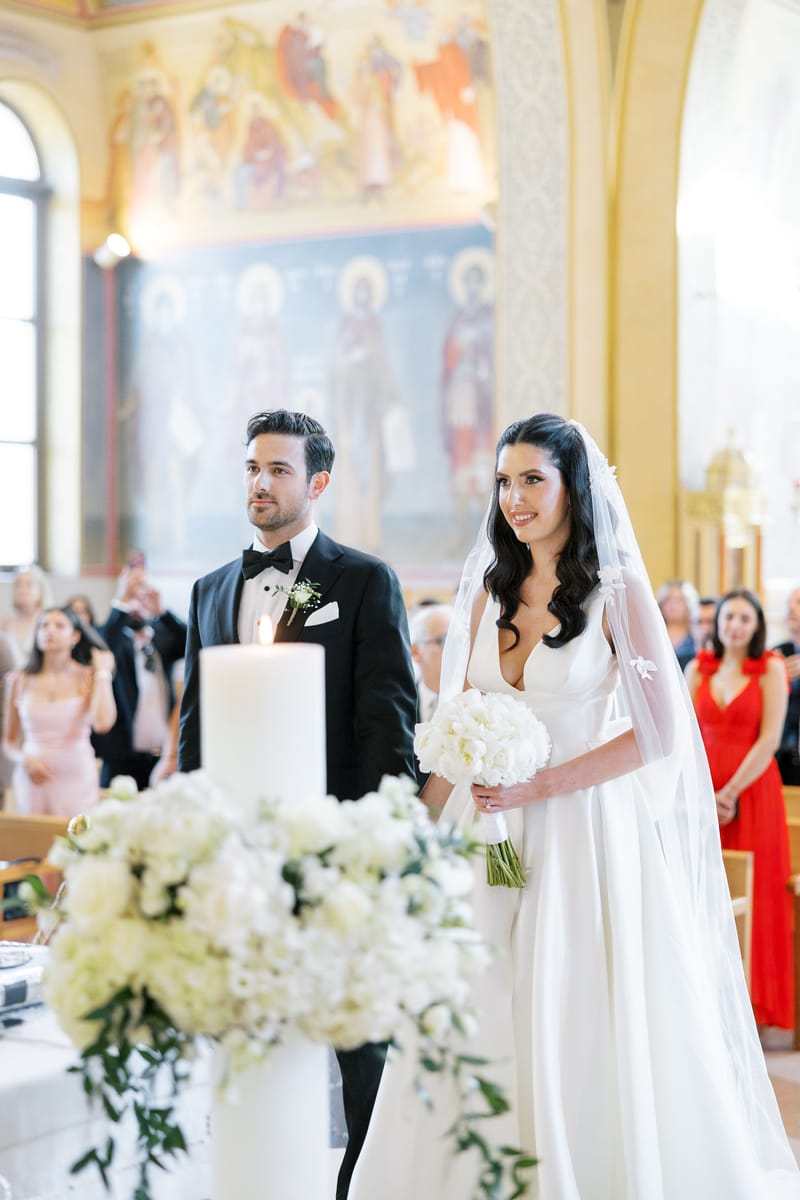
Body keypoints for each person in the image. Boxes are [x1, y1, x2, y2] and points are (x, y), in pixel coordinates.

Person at [351, 414, 800, 1199]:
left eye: (533, 480)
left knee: (572, 1010)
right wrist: (409, 841)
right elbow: (454, 734)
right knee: (477, 998)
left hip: (582, 830)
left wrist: (540, 786)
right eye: (504, 481)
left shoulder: (616, 594)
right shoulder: (484, 594)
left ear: (571, 488)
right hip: (483, 834)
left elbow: (660, 736)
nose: (515, 498)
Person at [178, 408, 418, 1200]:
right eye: (253, 466)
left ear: (317, 482)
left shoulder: (362, 580)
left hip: (336, 851)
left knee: (359, 1042)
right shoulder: (210, 590)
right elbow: (195, 730)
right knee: (249, 1032)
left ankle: (365, 1186)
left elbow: (388, 719)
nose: (261, 482)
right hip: (238, 864)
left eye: (279, 469)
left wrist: (368, 845)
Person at [687, 588, 793, 1034]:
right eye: (728, 617)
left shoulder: (769, 668)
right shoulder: (697, 668)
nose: (734, 625)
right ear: (717, 623)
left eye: (744, 619)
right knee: (708, 893)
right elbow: (685, 736)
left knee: (757, 892)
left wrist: (729, 792)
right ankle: (707, 997)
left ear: (757, 626)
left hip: (751, 794)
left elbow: (769, 739)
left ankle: (753, 1002)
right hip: (700, 796)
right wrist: (702, 795)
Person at [2, 607, 116, 817]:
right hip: (33, 778)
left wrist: (102, 673)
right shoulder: (19, 680)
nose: (49, 631)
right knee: (32, 845)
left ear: (75, 636)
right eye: (44, 625)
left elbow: (102, 723)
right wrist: (26, 760)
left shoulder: (88, 677)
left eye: (59, 625)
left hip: (76, 777)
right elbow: (8, 742)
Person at [93, 562, 187, 790]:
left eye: (142, 591)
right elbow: (103, 646)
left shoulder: (161, 636)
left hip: (161, 758)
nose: (138, 599)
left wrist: (162, 612)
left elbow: (190, 643)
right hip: (121, 758)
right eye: (132, 591)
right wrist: (122, 601)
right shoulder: (115, 637)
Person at [773, 585, 800, 785]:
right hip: (781, 753)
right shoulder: (778, 652)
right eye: (788, 603)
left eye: (798, 603)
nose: (791, 608)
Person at [1, 564, 53, 666]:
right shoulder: (5, 623)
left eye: (29, 584)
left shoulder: (48, 622)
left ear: (40, 590)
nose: (22, 589)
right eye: (18, 584)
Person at [409, 603, 452, 722]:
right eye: (444, 640)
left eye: (458, 640)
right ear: (416, 652)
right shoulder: (401, 700)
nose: (454, 648)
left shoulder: (476, 703)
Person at [656, 577, 700, 671]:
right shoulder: (654, 635)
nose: (674, 605)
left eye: (680, 600)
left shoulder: (696, 635)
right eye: (668, 600)